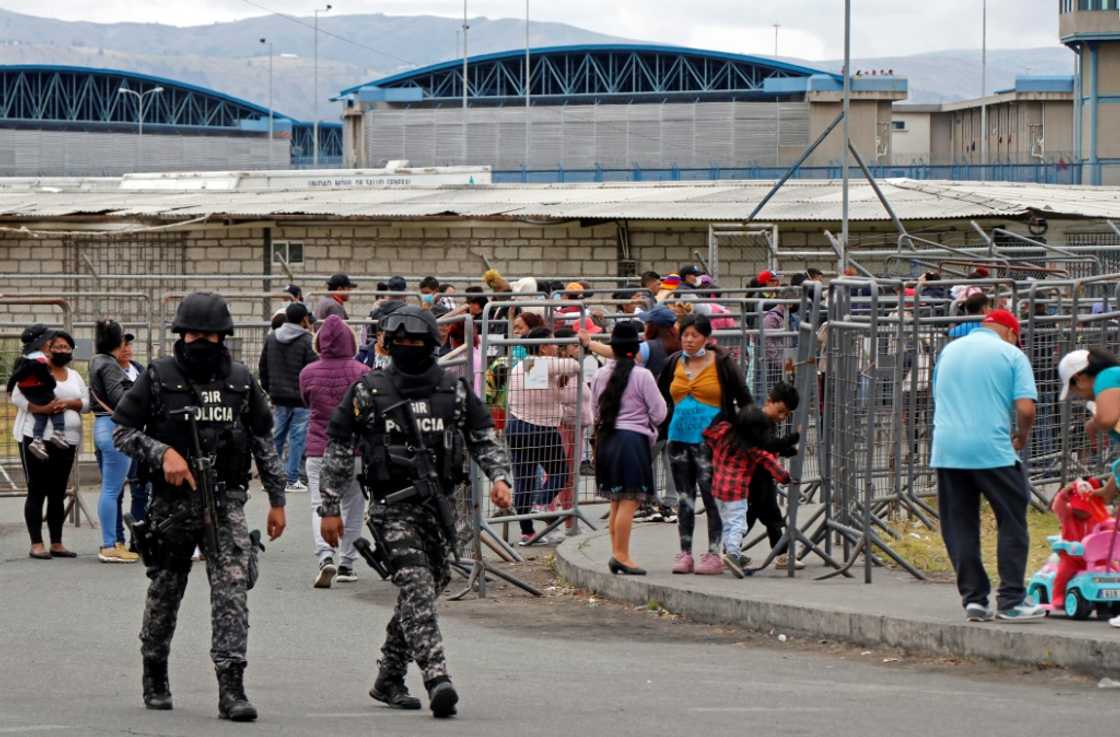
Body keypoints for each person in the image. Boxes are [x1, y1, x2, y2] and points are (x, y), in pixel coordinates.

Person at [317, 305, 512, 719]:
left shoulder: (453, 390)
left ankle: (388, 675)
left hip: (438, 506)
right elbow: (338, 447)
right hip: (391, 507)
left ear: (431, 345)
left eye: (416, 342)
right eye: (400, 341)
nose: (407, 347)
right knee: (418, 586)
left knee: (431, 581)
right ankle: (437, 677)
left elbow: (482, 438)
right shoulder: (369, 390)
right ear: (386, 344)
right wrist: (329, 505)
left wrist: (500, 479)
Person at [112, 292, 287, 720]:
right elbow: (122, 431)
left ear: (223, 337)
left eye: (210, 335)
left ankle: (232, 687)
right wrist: (161, 453)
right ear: (181, 334)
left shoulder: (242, 381)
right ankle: (154, 671)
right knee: (166, 591)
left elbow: (263, 441)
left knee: (231, 592)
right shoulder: (157, 376)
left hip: (226, 499)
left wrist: (278, 500)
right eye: (194, 333)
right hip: (173, 505)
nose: (201, 341)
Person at [931, 309, 1044, 623]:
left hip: (947, 450)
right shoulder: (1011, 354)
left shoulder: (948, 351)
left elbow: (938, 396)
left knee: (960, 526)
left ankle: (974, 600)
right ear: (1009, 331)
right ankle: (1011, 599)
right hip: (992, 449)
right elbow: (1025, 408)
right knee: (1012, 518)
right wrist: (1021, 435)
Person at [658, 314, 752, 575]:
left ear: (706, 338)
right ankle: (685, 552)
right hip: (678, 440)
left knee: (712, 497)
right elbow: (661, 395)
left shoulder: (721, 362)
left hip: (713, 444)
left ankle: (714, 553)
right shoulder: (673, 362)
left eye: (694, 335)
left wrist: (746, 434)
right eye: (685, 335)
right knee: (684, 498)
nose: (688, 340)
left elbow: (745, 399)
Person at [300, 315, 370, 589]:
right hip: (355, 450)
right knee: (353, 505)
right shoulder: (363, 372)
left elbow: (306, 401)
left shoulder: (307, 372)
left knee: (319, 503)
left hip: (319, 448)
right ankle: (347, 562)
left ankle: (324, 557)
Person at [592, 322, 667, 575]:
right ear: (635, 350)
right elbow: (659, 412)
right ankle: (622, 555)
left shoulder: (601, 374)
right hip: (632, 441)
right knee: (630, 500)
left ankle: (617, 552)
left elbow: (594, 410)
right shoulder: (642, 375)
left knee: (616, 500)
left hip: (606, 439)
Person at [12, 330, 87, 560]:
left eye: (67, 347)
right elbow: (17, 396)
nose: (62, 351)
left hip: (66, 441)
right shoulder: (35, 367)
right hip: (36, 439)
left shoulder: (75, 376)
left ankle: (57, 542)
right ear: (48, 348)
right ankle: (37, 544)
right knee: (37, 490)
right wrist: (42, 409)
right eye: (58, 347)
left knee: (57, 492)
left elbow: (86, 402)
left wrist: (69, 403)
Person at [505, 326, 582, 545]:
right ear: (542, 346)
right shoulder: (537, 363)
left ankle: (526, 531)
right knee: (560, 472)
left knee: (524, 481)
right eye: (552, 342)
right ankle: (541, 502)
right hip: (540, 428)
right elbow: (574, 365)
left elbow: (542, 392)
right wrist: (574, 353)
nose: (556, 346)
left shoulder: (524, 366)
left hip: (517, 426)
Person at [704, 403, 794, 578]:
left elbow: (708, 434)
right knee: (739, 523)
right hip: (736, 492)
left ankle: (730, 551)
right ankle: (733, 555)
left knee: (729, 523)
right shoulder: (753, 448)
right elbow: (771, 464)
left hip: (718, 489)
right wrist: (786, 478)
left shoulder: (723, 433)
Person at [90, 319, 141, 563]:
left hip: (103, 426)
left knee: (111, 489)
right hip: (114, 428)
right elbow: (120, 398)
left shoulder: (97, 361)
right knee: (112, 489)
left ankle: (113, 542)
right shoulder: (109, 365)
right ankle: (109, 545)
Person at [742, 383, 803, 570]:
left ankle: (781, 553)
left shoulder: (767, 421)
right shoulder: (759, 422)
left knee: (768, 517)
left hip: (762, 478)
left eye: (786, 414)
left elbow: (771, 446)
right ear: (769, 401)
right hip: (754, 477)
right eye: (781, 411)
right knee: (763, 517)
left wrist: (787, 450)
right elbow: (768, 445)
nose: (782, 417)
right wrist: (792, 440)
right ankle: (730, 550)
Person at [259, 302, 317, 493]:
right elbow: (311, 371)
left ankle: (271, 478)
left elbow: (263, 367)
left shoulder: (271, 338)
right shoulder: (307, 340)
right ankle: (292, 479)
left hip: (277, 396)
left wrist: (270, 389)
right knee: (297, 439)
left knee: (276, 437)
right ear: (303, 319)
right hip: (300, 399)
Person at [9, 327, 68, 460]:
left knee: (41, 417)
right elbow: (17, 396)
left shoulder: (28, 360)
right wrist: (44, 407)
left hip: (35, 396)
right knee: (55, 410)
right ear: (41, 343)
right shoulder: (37, 361)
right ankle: (55, 433)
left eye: (66, 347)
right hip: (39, 398)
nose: (50, 344)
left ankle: (39, 440)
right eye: (49, 342)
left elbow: (15, 377)